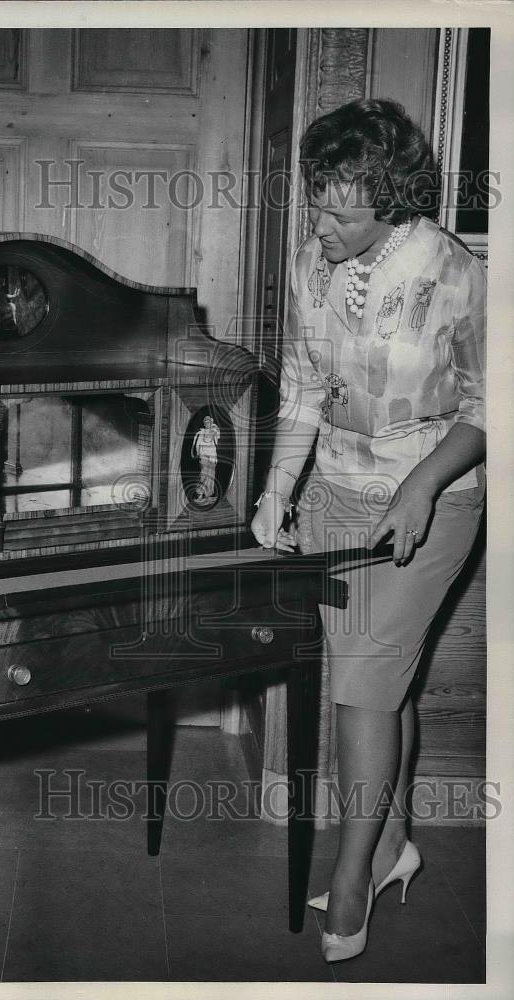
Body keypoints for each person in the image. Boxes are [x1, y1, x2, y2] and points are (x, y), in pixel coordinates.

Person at [250, 98, 486, 964]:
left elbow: (491, 403)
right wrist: (279, 491)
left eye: (340, 210)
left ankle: (350, 879)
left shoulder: (454, 270)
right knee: (387, 687)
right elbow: (304, 385)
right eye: (317, 199)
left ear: (391, 202)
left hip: (433, 502)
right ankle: (394, 850)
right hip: (337, 501)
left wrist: (425, 484)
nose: (320, 222)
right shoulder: (313, 262)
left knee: (362, 687)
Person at [191, 413, 221, 500]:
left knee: (211, 476)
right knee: (203, 475)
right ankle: (199, 493)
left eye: (209, 422)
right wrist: (197, 453)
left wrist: (214, 426)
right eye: (206, 422)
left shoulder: (213, 431)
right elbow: (197, 444)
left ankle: (207, 494)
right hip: (203, 456)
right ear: (204, 423)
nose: (207, 423)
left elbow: (218, 435)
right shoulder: (201, 432)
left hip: (212, 456)